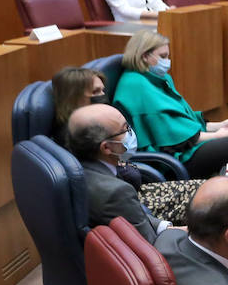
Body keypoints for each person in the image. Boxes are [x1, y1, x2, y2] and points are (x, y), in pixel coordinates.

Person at [51, 65, 201, 225]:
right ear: (74, 97)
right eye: (95, 92)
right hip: (131, 203)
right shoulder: (75, 136)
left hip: (135, 192)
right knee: (211, 203)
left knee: (207, 189)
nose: (102, 96)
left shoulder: (99, 121)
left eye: (103, 90)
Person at [112, 30, 228, 179]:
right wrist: (217, 136)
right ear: (145, 56)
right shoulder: (136, 86)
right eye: (163, 56)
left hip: (184, 149)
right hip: (171, 161)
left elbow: (180, 123)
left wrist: (219, 125)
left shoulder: (157, 79)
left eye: (167, 56)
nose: (167, 61)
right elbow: (172, 140)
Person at [65, 103, 166, 243]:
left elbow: (133, 218)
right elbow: (152, 246)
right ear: (106, 147)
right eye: (125, 129)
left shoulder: (86, 168)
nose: (130, 132)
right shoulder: (115, 192)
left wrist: (164, 227)